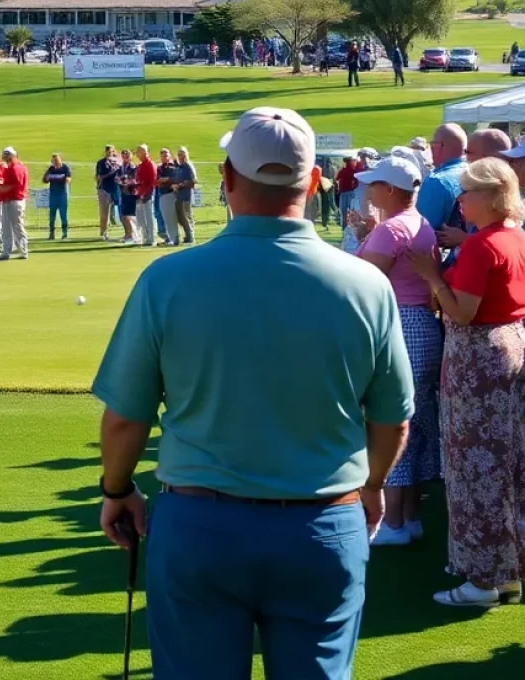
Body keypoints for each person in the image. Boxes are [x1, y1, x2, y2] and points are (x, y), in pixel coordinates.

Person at [93, 106, 413, 678]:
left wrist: (116, 489)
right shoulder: (367, 284)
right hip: (322, 524)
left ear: (227, 177)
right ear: (313, 180)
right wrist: (372, 485)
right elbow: (391, 421)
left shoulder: (168, 279)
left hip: (200, 527)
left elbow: (124, 420)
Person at [410, 157, 525, 607]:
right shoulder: (514, 235)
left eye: (468, 192)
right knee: (508, 463)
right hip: (509, 347)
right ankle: (507, 571)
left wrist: (433, 276)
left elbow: (463, 312)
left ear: (490, 196)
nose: (460, 200)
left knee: (473, 466)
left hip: (479, 357)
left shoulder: (481, 246)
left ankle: (482, 580)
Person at [352, 156, 442, 546]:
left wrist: (362, 243)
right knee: (417, 422)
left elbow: (362, 278)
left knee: (392, 418)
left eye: (374, 184)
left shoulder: (392, 229)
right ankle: (408, 518)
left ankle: (391, 524)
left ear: (389, 190)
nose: (368, 189)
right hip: (422, 325)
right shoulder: (416, 224)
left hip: (402, 325)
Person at [417, 124, 468, 243]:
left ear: (441, 146)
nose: (431, 149)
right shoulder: (476, 171)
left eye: (432, 144)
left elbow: (421, 234)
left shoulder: (436, 181)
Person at [0, 147, 28, 261]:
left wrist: (2, 189)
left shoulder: (15, 168)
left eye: (7, 155)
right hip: (10, 200)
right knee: (7, 227)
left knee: (16, 226)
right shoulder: (13, 167)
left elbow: (16, 184)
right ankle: (7, 251)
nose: (5, 157)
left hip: (14, 200)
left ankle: (22, 250)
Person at [43, 153, 71, 240]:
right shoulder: (51, 169)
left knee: (63, 215)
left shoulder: (65, 168)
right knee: (52, 215)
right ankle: (51, 233)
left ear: (60, 159)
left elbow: (69, 179)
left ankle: (64, 233)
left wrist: (62, 179)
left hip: (62, 195)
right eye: (54, 160)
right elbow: (44, 180)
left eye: (57, 160)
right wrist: (47, 176)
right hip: (53, 195)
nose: (55, 162)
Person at [133, 145, 157, 247]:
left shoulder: (149, 164)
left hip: (147, 194)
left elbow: (152, 181)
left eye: (139, 152)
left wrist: (145, 194)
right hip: (139, 194)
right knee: (141, 218)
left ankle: (151, 238)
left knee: (149, 217)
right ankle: (145, 237)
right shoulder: (140, 165)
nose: (137, 154)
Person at [95, 145, 121, 241]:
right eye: (107, 151)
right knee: (104, 212)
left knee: (122, 210)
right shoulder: (101, 163)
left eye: (111, 151)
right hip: (104, 189)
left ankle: (128, 232)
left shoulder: (118, 162)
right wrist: (113, 173)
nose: (109, 153)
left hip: (116, 188)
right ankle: (103, 232)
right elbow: (99, 177)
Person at [173, 146, 197, 244]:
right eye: (179, 155)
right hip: (178, 195)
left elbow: (193, 180)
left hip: (185, 194)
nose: (180, 156)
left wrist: (180, 185)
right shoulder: (180, 167)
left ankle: (190, 235)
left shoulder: (188, 165)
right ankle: (187, 235)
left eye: (182, 154)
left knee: (186, 215)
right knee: (180, 216)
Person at [156, 149, 180, 246]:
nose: (165, 157)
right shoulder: (160, 168)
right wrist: (164, 180)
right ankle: (170, 238)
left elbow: (174, 179)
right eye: (163, 156)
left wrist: (166, 180)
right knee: (166, 218)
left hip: (171, 193)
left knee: (172, 218)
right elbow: (158, 180)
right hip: (162, 193)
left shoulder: (173, 167)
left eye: (166, 156)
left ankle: (174, 238)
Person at [116, 149, 138, 245]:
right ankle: (127, 234)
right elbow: (117, 178)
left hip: (131, 193)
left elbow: (134, 179)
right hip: (123, 193)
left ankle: (132, 235)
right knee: (123, 215)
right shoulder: (121, 167)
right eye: (124, 155)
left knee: (129, 216)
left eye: (127, 155)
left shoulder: (133, 167)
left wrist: (126, 184)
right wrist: (121, 183)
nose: (125, 157)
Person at [336, 155, 359, 224]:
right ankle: (348, 224)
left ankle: (345, 224)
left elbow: (337, 178)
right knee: (350, 209)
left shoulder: (345, 170)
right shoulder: (353, 170)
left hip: (345, 192)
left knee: (344, 210)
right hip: (349, 191)